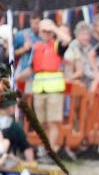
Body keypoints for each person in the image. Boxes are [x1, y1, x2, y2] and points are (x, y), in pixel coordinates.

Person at [20, 18, 66, 150]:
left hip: (54, 90)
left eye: (48, 31)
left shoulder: (57, 45)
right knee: (42, 123)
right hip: (39, 90)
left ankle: (51, 150)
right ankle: (46, 148)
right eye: (43, 31)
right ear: (39, 32)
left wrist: (54, 28)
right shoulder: (36, 47)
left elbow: (67, 40)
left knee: (53, 121)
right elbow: (31, 68)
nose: (46, 33)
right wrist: (17, 77)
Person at [62, 20, 99, 90]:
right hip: (75, 86)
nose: (86, 37)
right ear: (77, 35)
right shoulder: (72, 49)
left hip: (88, 84)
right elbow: (80, 71)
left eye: (87, 34)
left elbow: (96, 65)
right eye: (83, 34)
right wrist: (97, 76)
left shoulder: (90, 48)